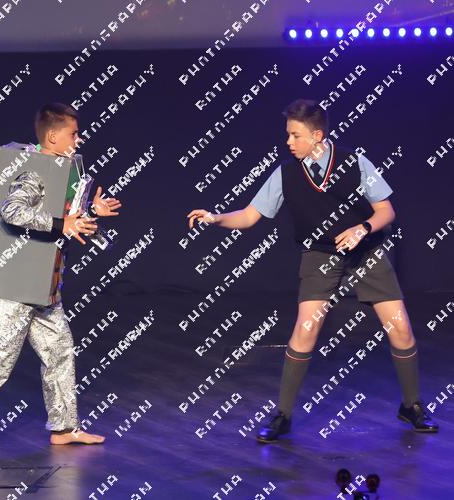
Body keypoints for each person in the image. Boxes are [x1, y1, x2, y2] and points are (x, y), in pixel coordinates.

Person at [186, 99, 438, 443]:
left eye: (295, 135)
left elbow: (386, 210)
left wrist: (362, 228)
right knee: (305, 331)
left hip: (366, 251)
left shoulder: (355, 162)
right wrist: (215, 218)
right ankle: (283, 415)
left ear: (317, 136)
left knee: (402, 330)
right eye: (288, 135)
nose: (288, 142)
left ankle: (411, 405)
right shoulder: (286, 174)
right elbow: (248, 216)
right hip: (320, 255)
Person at [0, 102, 122, 456]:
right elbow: (12, 211)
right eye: (73, 133)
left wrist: (91, 212)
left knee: (59, 353)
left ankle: (64, 428)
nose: (78, 139)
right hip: (14, 285)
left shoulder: (64, 172)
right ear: (53, 135)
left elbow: (68, 221)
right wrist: (62, 224)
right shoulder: (34, 170)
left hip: (44, 286)